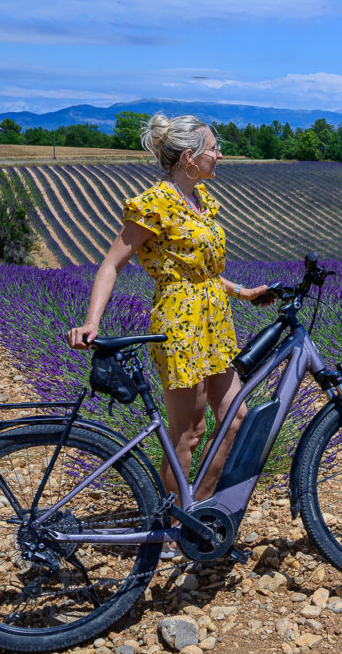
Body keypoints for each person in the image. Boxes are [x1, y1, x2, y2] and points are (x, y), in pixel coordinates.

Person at [66, 114, 267, 543]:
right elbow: (111, 264)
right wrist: (92, 322)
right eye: (214, 147)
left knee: (236, 420)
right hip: (180, 325)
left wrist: (242, 292)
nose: (220, 154)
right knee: (188, 434)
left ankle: (203, 509)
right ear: (190, 158)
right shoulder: (155, 203)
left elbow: (203, 272)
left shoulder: (200, 200)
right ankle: (175, 525)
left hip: (215, 320)